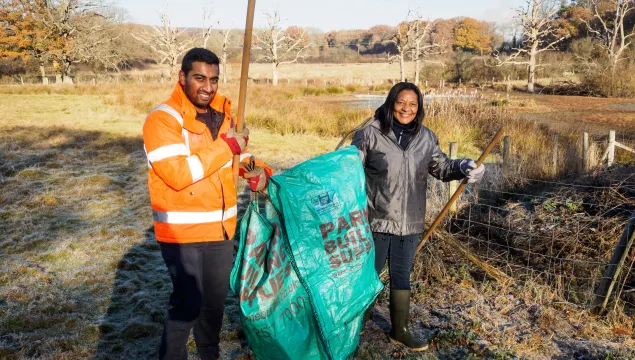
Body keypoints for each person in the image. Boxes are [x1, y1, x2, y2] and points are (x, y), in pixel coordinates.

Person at [143, 47, 271, 360]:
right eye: (199, 78)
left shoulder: (227, 114)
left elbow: (232, 160)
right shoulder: (162, 120)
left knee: (213, 306)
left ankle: (209, 354)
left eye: (213, 79)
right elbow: (179, 173)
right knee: (187, 305)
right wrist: (228, 147)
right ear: (182, 77)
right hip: (182, 233)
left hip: (221, 230)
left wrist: (255, 170)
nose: (208, 87)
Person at [352, 82, 484, 351]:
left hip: (410, 222)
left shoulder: (426, 137)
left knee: (401, 277)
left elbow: (442, 168)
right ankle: (353, 329)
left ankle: (399, 330)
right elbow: (350, 170)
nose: (406, 109)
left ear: (419, 108)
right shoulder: (369, 134)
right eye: (401, 102)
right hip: (374, 220)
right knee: (367, 277)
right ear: (391, 102)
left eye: (413, 104)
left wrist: (464, 166)